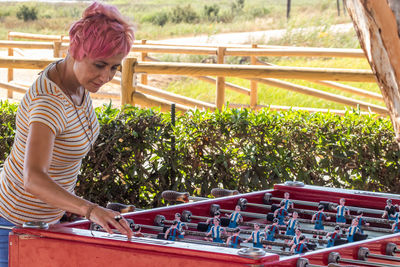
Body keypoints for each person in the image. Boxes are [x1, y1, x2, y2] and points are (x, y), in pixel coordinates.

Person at [0, 2, 135, 266]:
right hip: (11, 222)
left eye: (114, 67)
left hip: (43, 219)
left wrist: (66, 207)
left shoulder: (73, 80)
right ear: (76, 51)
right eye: (99, 65)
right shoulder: (48, 102)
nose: (106, 76)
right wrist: (90, 210)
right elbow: (33, 179)